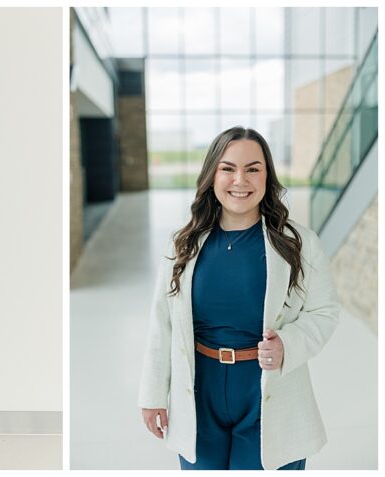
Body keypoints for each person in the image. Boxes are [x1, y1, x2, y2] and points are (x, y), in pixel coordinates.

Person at [138, 127, 341, 470]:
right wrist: (153, 394)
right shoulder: (182, 245)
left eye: (253, 169)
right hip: (201, 396)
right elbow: (163, 322)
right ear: (212, 175)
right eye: (228, 168)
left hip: (268, 396)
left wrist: (287, 345)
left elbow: (325, 311)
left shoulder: (299, 244)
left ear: (267, 176)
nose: (240, 180)